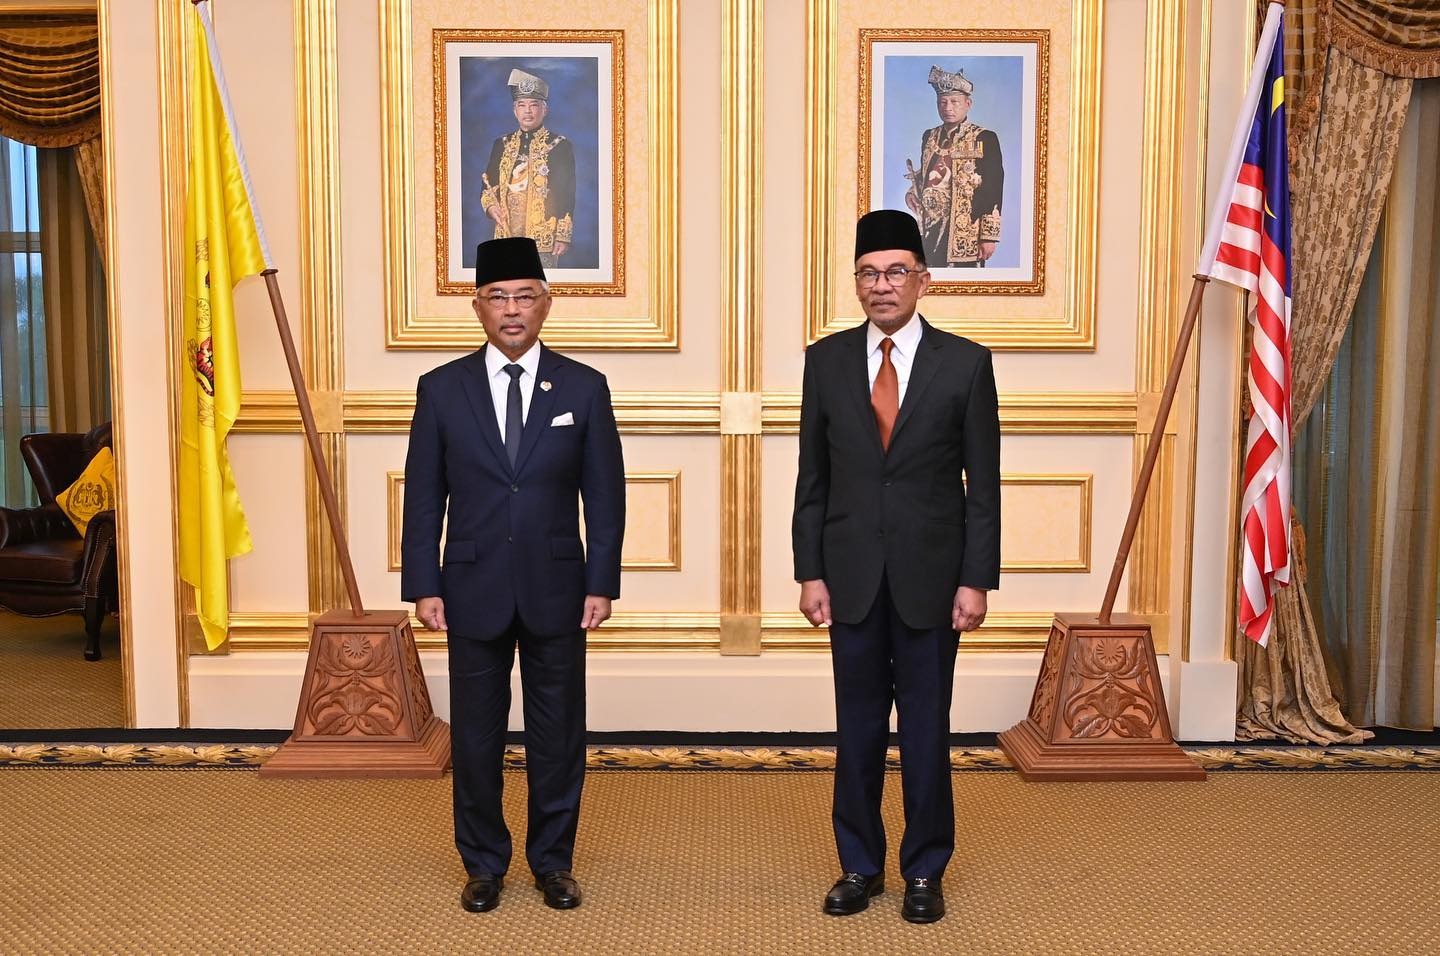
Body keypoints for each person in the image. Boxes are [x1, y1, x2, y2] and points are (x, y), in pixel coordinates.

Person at [401, 236, 625, 914]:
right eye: (497, 297)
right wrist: (424, 584)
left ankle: (553, 862)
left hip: (559, 588)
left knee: (559, 735)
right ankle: (483, 864)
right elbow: (423, 496)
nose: (512, 309)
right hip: (470, 587)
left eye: (525, 296)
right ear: (477, 307)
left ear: (546, 304)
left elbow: (605, 496)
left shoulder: (583, 387)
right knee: (475, 736)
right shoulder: (441, 389)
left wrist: (601, 582)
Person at [792, 210, 1000, 924]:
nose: (881, 286)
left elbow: (983, 485)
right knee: (855, 730)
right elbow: (812, 480)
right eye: (868, 274)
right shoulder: (825, 361)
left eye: (895, 272)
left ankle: (925, 869)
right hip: (848, 576)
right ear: (857, 282)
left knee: (925, 731)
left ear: (923, 280)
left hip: (933, 581)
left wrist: (975, 579)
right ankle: (858, 865)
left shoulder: (965, 364)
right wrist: (810, 571)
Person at [904, 66, 1004, 268]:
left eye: (954, 102)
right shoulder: (929, 136)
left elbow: (994, 187)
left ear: (968, 104)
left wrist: (988, 236)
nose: (948, 108)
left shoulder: (985, 138)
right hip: (930, 227)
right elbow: (928, 174)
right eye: (943, 102)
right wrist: (912, 192)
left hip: (965, 228)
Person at [480, 69, 577, 269]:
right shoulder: (502, 144)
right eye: (522, 105)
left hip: (543, 238)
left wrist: (563, 235)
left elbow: (566, 192)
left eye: (534, 105)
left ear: (545, 110)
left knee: (540, 286)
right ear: (514, 110)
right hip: (506, 235)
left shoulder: (560, 146)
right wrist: (491, 208)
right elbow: (488, 184)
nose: (528, 111)